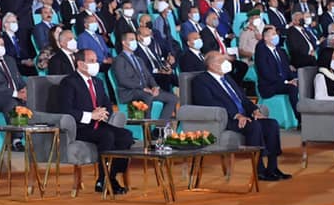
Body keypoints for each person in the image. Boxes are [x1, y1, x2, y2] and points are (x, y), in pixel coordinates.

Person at [191, 52, 290, 181]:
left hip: (244, 116)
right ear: (212, 65)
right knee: (254, 126)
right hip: (226, 119)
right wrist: (235, 115)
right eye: (222, 61)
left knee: (271, 124)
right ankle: (259, 169)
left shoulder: (227, 78)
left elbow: (243, 99)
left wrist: (254, 111)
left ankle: (273, 167)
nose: (226, 63)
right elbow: (208, 103)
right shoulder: (201, 81)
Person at [58, 49, 134, 194]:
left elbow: (107, 105)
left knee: (126, 136)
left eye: (96, 60)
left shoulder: (98, 82)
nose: (96, 64)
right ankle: (103, 179)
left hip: (99, 124)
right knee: (107, 136)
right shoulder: (69, 82)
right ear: (80, 64)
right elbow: (65, 110)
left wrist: (103, 113)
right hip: (80, 127)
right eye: (91, 61)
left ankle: (111, 176)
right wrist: (90, 115)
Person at [113, 31, 177, 123]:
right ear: (124, 42)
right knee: (148, 96)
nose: (134, 42)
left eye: (135, 39)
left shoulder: (138, 59)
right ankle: (147, 128)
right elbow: (123, 80)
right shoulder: (119, 60)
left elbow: (149, 76)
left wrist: (155, 86)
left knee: (172, 98)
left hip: (145, 90)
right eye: (131, 39)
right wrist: (143, 88)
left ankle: (160, 127)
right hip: (130, 92)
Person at [254, 25, 299, 122]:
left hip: (283, 82)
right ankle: (300, 118)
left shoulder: (281, 51)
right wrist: (286, 82)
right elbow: (265, 73)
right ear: (266, 38)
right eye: (273, 34)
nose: (276, 36)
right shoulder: (261, 52)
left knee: (300, 83)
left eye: (276, 34)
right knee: (292, 88)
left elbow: (287, 70)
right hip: (270, 85)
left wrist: (294, 79)